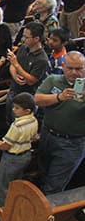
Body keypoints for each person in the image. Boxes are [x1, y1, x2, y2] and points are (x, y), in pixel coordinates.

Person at [35, 51, 85, 194]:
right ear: (63, 66)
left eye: (79, 68)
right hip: (47, 136)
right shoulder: (53, 80)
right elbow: (37, 99)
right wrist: (59, 97)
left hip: (72, 144)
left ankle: (47, 213)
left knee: (54, 185)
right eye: (70, 68)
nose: (74, 72)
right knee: (43, 174)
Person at [0, 92, 38, 221]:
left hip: (12, 158)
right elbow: (34, 137)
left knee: (0, 190)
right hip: (25, 155)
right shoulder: (34, 120)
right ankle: (10, 215)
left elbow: (6, 144)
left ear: (26, 110)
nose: (13, 110)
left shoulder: (17, 125)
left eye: (16, 108)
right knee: (13, 187)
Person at [5, 21, 49, 123]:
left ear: (37, 39)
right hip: (14, 90)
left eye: (26, 37)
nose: (23, 39)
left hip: (26, 98)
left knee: (19, 123)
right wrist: (15, 75)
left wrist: (16, 64)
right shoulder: (24, 48)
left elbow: (31, 80)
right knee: (9, 120)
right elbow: (12, 66)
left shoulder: (41, 59)